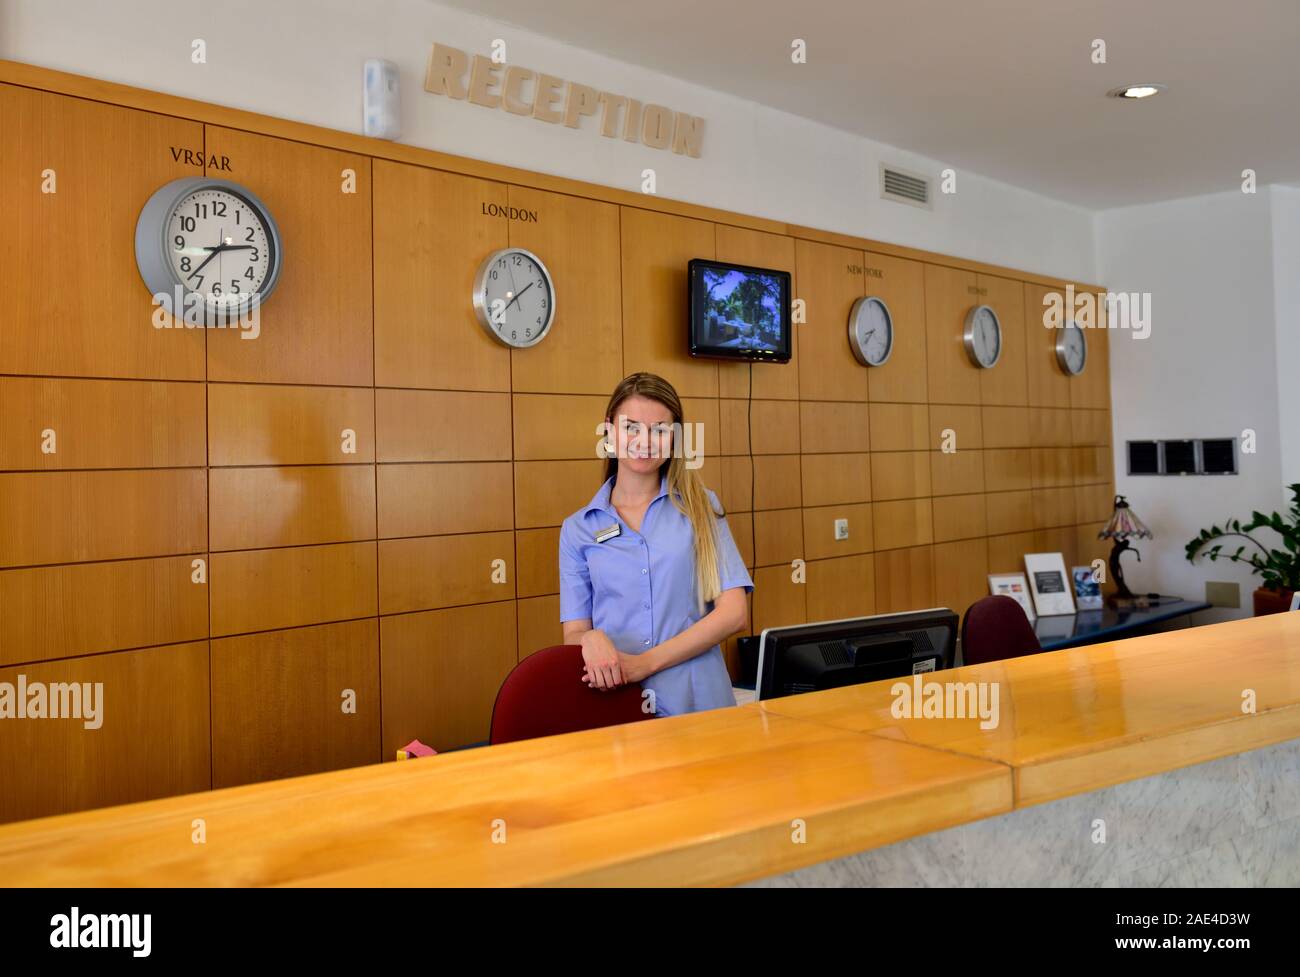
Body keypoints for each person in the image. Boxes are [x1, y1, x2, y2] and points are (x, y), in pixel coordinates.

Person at [557, 372, 753, 718]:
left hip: (700, 703)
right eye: (631, 427)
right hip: (618, 704)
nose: (644, 441)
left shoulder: (701, 507)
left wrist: (644, 664)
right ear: (609, 431)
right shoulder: (578, 529)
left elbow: (734, 613)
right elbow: (574, 632)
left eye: (660, 430)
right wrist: (589, 639)